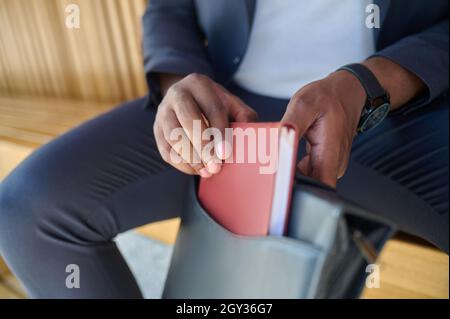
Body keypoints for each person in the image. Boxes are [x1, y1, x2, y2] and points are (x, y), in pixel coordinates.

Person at [0, 0, 448, 298]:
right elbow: (168, 8)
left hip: (393, 109)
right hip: (224, 107)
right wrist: (180, 87)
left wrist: (368, 84)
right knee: (28, 209)